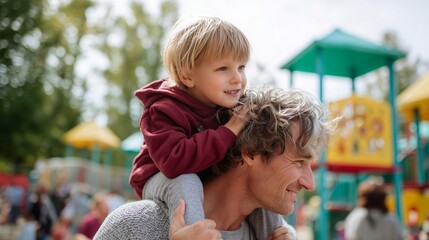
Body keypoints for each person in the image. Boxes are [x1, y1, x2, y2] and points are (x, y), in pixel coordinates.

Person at [94, 87, 336, 240]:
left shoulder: (280, 236)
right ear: (251, 152)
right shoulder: (136, 225)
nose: (310, 183)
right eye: (298, 162)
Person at [129, 16, 286, 239]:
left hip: (205, 173)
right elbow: (175, 163)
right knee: (187, 180)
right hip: (161, 176)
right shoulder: (163, 110)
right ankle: (196, 234)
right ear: (187, 75)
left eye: (241, 67)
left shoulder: (228, 105)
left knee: (257, 180)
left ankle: (277, 233)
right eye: (223, 68)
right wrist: (229, 130)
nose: (237, 79)